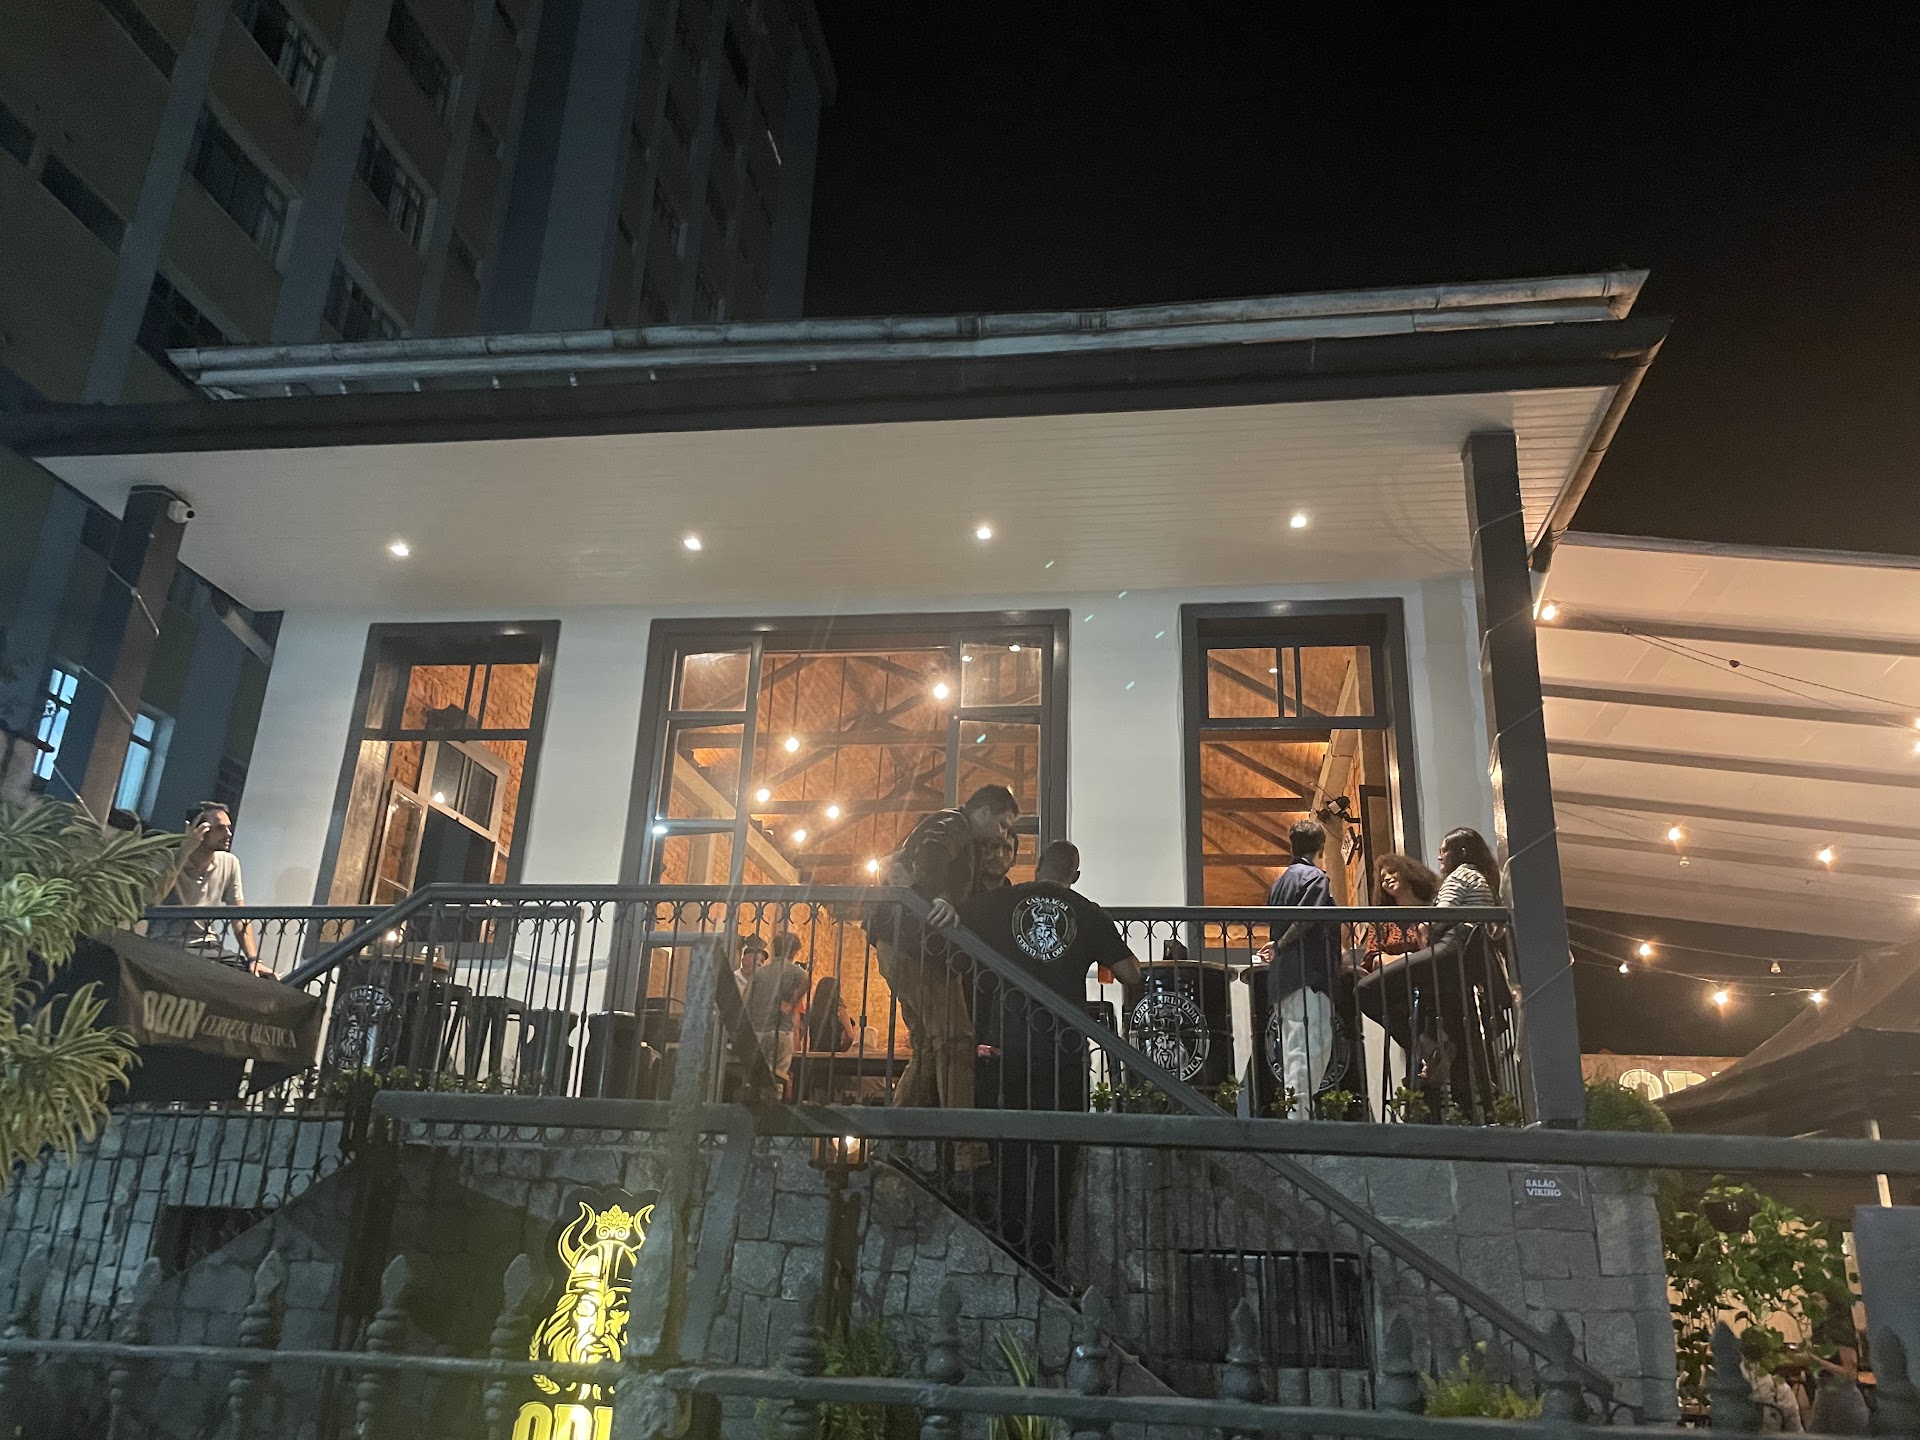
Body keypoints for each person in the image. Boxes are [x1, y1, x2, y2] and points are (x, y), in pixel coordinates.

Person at [959, 839, 1138, 1273]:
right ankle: (1044, 1255)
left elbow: (953, 926)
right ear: (1074, 875)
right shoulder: (1087, 912)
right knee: (1058, 1155)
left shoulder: (1001, 903)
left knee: (1011, 1150)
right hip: (1063, 1050)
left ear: (1038, 866)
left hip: (1006, 1045)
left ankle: (1010, 1246)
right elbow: (1131, 973)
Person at [870, 784, 1020, 1145]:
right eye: (1002, 824)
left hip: (908, 946)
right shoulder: (955, 823)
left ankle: (893, 1144)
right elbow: (933, 849)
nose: (1002, 834)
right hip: (915, 948)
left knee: (927, 1046)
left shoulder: (963, 839)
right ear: (983, 811)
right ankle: (965, 1147)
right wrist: (937, 897)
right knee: (957, 1040)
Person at [1357, 826, 1512, 1118]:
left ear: (1458, 853)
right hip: (1461, 962)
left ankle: (1425, 1047)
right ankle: (1474, 1107)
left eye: (1443, 851)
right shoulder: (1478, 877)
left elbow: (1439, 918)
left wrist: (1423, 930)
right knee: (1460, 1038)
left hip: (1450, 951)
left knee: (1365, 990)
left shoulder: (1460, 875)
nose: (1440, 856)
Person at [1263, 818, 1340, 1118]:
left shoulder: (1279, 883)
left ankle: (1298, 1114)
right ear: (1321, 847)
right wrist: (1282, 944)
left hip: (1284, 978)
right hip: (1309, 974)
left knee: (1295, 1049)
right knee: (1311, 1048)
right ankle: (1299, 1120)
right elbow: (1308, 917)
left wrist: (1278, 946)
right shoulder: (1315, 878)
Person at [167, 801, 264, 975]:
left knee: (260, 979)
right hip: (170, 944)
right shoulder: (169, 859)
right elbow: (152, 897)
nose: (228, 834)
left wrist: (253, 959)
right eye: (220, 828)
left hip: (209, 946)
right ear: (199, 829)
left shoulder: (229, 862)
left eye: (228, 828)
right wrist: (184, 852)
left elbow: (238, 916)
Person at [743, 931, 810, 1091]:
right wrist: (792, 1003)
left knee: (754, 1080)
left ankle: (752, 1103)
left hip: (758, 1031)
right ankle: (773, 1104)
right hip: (781, 1031)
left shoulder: (759, 973)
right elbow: (807, 979)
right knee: (777, 1079)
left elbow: (745, 1002)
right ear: (794, 952)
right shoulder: (795, 971)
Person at [1362, 854, 1440, 970]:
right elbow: (1372, 957)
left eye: (1391, 872)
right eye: (1382, 879)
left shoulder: (1433, 908)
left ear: (1407, 872)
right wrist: (1403, 959)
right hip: (1394, 976)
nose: (1387, 878)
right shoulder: (1382, 920)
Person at [806, 975, 856, 1053]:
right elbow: (850, 1036)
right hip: (833, 1053)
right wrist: (842, 1049)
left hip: (814, 1053)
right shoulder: (840, 1011)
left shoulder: (811, 1011)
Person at [733, 933, 768, 997]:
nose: (759, 963)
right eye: (755, 959)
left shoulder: (762, 984)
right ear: (744, 960)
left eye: (762, 961)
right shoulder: (732, 978)